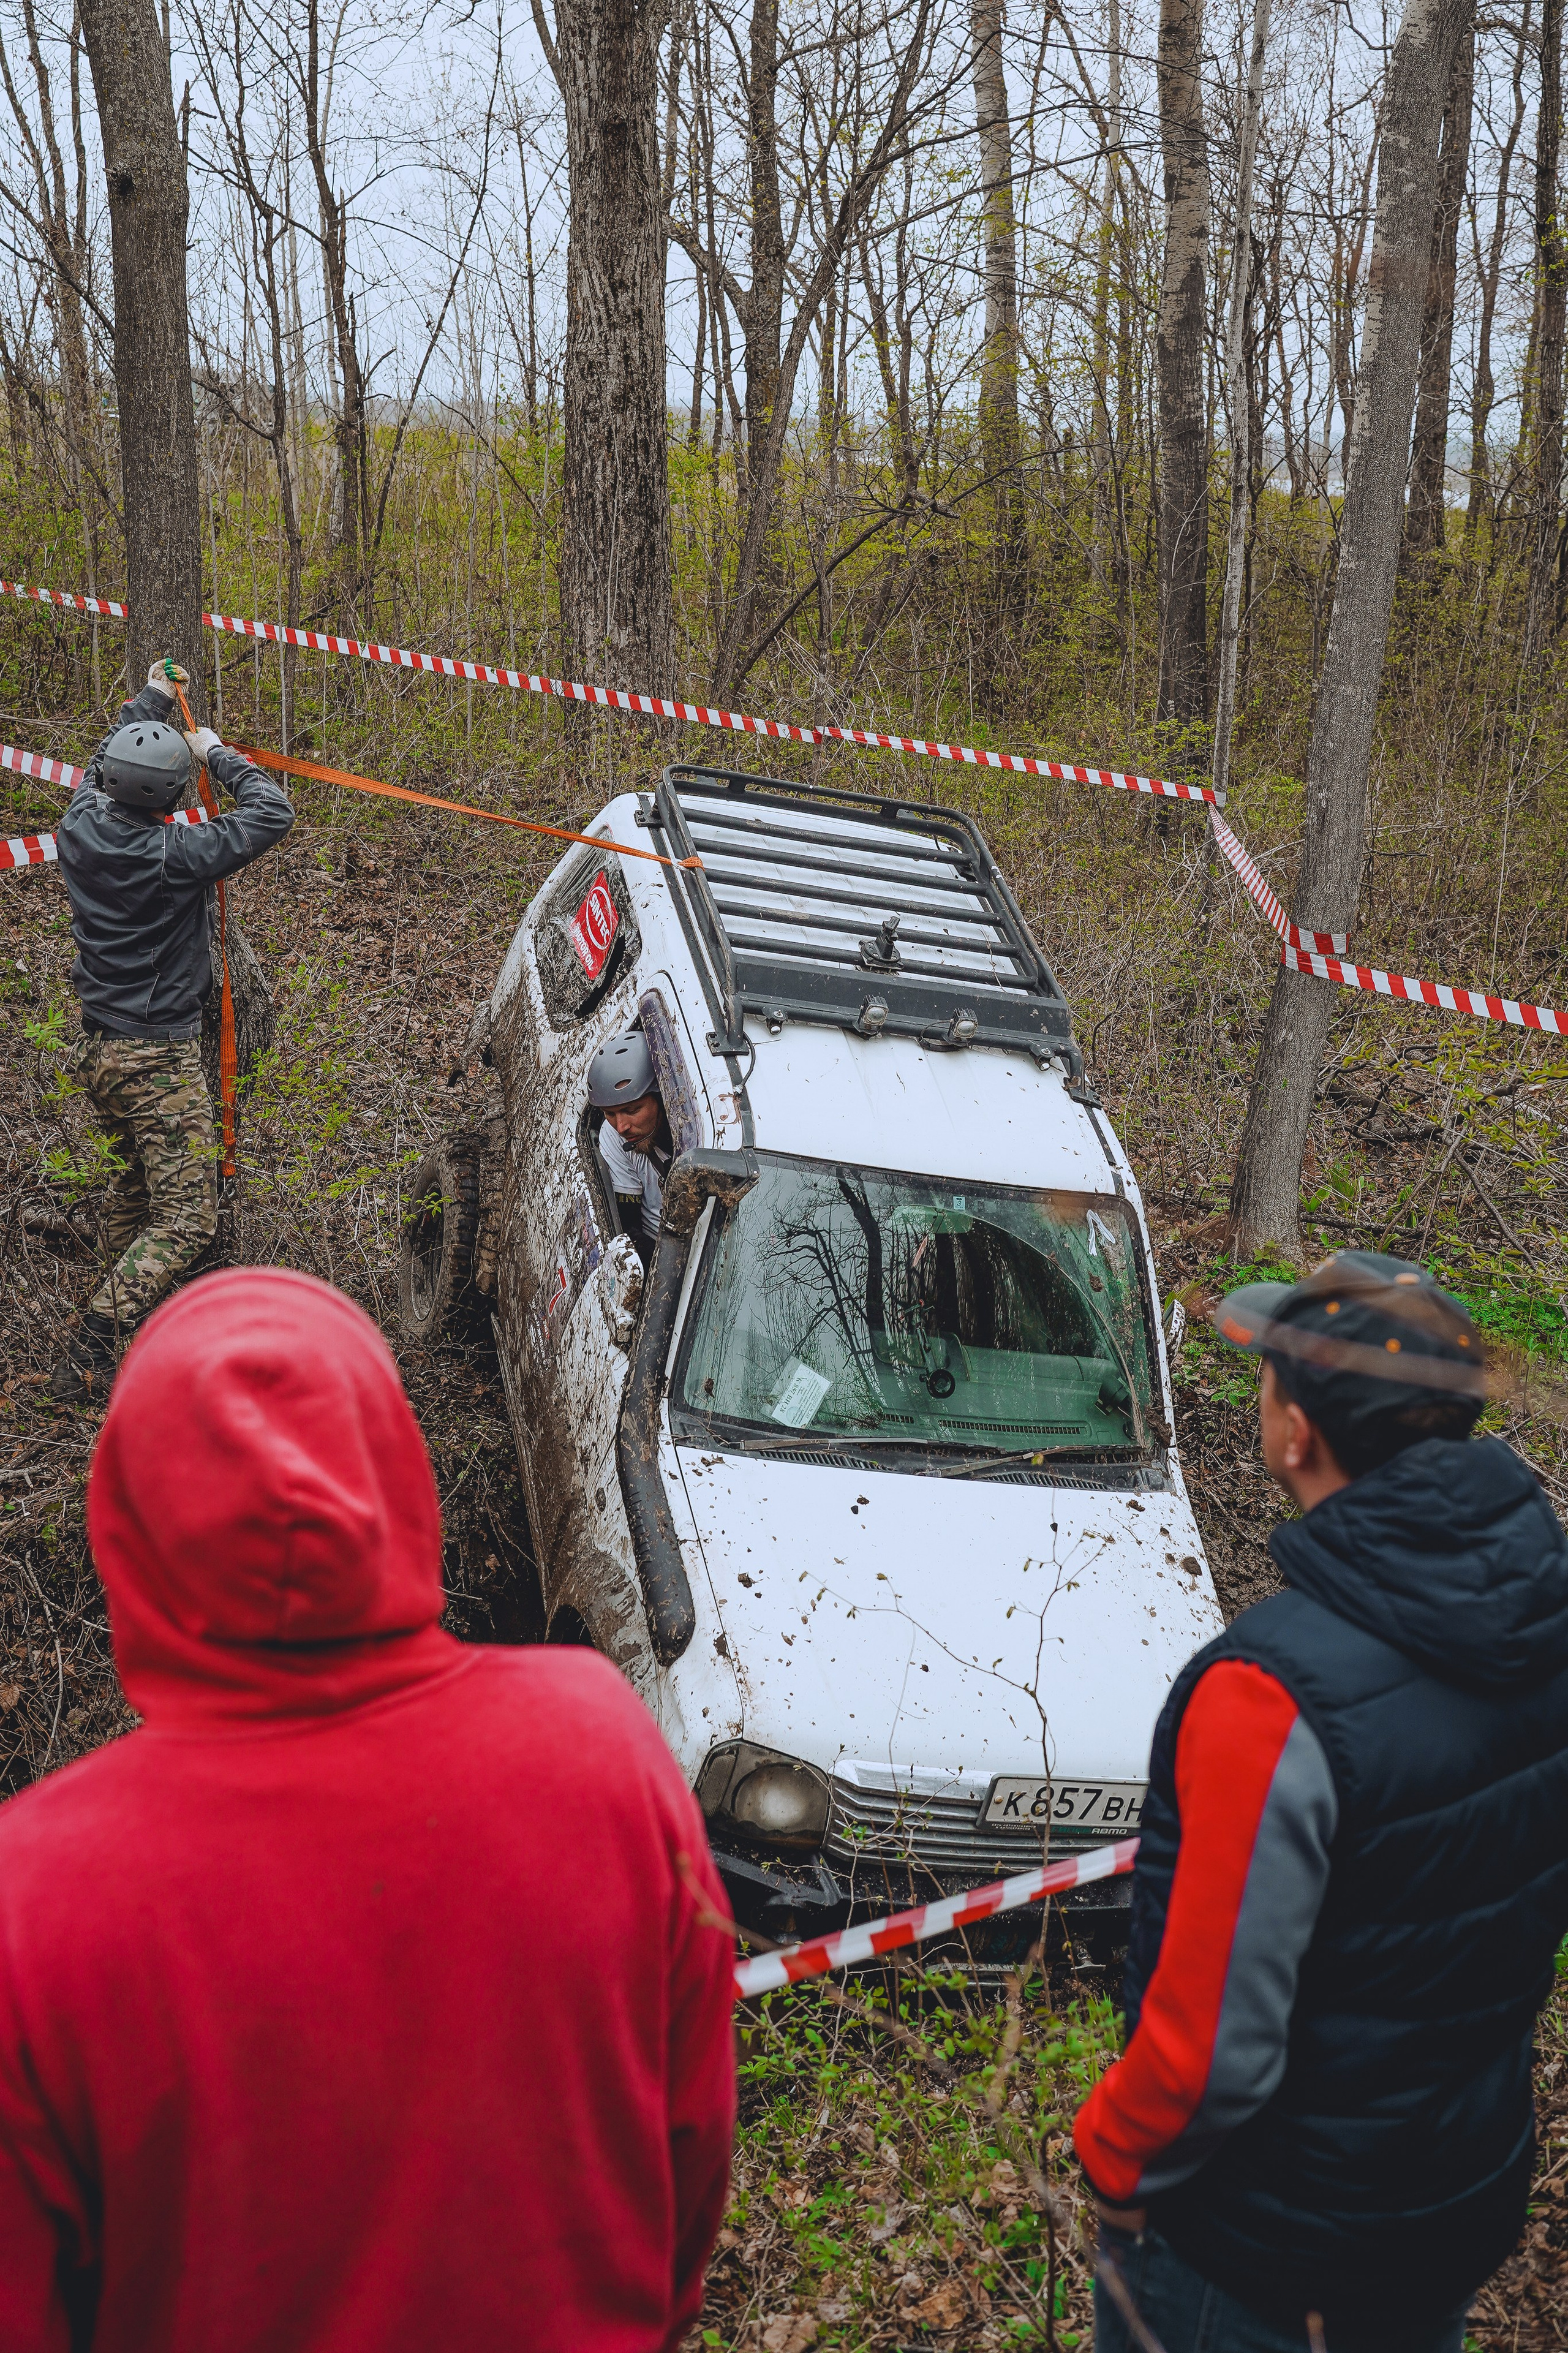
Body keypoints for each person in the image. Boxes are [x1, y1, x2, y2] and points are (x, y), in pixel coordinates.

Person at [0, 1267, 736, 2351]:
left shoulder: (33, 1899)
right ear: (398, 1475)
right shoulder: (602, 1747)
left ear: (127, 1524)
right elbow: (689, 2162)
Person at [1075, 1249, 1568, 2353]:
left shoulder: (1267, 1698)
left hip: (1259, 2251)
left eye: (1268, 1382)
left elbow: (1210, 2051)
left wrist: (1111, 2149)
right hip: (1451, 2208)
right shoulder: (1543, 1622)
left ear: (1298, 1433)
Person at [49, 659, 295, 1403]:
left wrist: (155, 696)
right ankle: (90, 1343)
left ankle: (109, 1351)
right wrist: (216, 751)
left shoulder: (81, 819)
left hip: (99, 1047)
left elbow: (105, 753)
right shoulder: (172, 855)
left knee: (135, 1189)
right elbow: (271, 814)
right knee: (187, 1220)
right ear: (168, 798)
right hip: (153, 1055)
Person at [590, 1028, 672, 1258]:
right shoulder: (614, 1135)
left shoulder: (701, 1132)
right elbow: (627, 1223)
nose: (621, 1127)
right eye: (610, 1113)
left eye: (632, 1110)